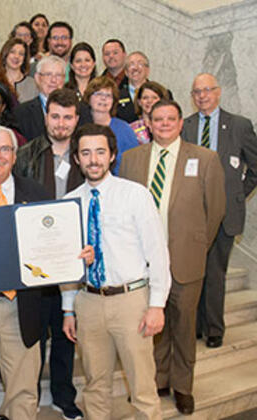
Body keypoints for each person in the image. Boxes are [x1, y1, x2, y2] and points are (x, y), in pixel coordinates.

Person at [0, 125, 92, 420]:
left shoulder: (35, 193)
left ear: (14, 155)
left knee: (23, 393)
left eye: (5, 149)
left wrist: (76, 254)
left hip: (21, 307)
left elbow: (53, 244)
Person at [120, 99, 226, 415]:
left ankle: (182, 386)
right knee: (152, 327)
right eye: (158, 119)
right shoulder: (131, 159)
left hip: (184, 259)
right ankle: (158, 379)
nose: (164, 124)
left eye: (171, 119)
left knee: (182, 326)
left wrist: (195, 246)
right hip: (142, 262)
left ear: (181, 123)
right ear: (148, 124)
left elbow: (216, 210)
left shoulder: (205, 159)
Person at [62, 123, 172, 419]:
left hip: (131, 302)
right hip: (88, 301)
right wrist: (68, 310)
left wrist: (157, 305)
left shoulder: (135, 195)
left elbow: (158, 253)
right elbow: (64, 266)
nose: (93, 159)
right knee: (95, 385)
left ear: (112, 156)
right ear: (77, 158)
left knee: (142, 387)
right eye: (86, 153)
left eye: (100, 152)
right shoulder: (68, 203)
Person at [14, 88, 84, 420]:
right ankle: (28, 395)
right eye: (55, 116)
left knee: (66, 329)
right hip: (35, 257)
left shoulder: (85, 154)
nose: (61, 123)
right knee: (34, 331)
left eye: (67, 117)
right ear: (46, 117)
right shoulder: (26, 154)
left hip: (72, 259)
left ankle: (63, 394)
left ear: (76, 119)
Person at [182, 73, 257, 349]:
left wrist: (237, 194)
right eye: (196, 92)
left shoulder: (239, 125)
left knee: (215, 271)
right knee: (191, 271)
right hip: (190, 214)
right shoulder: (185, 126)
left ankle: (214, 328)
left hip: (224, 214)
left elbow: (255, 166)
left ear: (218, 92)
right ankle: (196, 325)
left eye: (207, 90)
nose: (202, 96)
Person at [83, 76, 138, 174]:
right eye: (98, 94)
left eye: (108, 95)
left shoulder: (124, 129)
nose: (103, 98)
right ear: (88, 97)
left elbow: (134, 163)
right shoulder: (81, 127)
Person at [14, 55, 66, 141]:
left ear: (64, 79)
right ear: (37, 78)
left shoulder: (78, 110)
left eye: (58, 75)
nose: (53, 80)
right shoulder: (21, 113)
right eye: (48, 74)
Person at [0, 37, 38, 102]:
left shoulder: (33, 84)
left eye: (21, 54)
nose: (16, 56)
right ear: (5, 54)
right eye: (12, 52)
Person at [117, 51, 151, 123]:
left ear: (148, 70)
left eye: (140, 64)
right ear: (126, 72)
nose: (135, 68)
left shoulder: (161, 94)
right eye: (131, 64)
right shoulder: (116, 96)